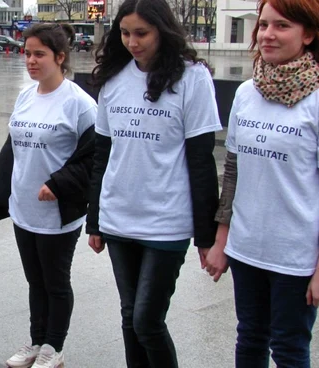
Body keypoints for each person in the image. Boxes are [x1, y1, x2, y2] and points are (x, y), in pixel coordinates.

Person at [204, 0, 319, 366]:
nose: (267, 35)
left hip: (296, 256)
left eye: (282, 26)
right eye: (263, 25)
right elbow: (233, 172)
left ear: (308, 34)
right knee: (250, 340)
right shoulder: (247, 93)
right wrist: (221, 241)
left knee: (290, 349)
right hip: (247, 249)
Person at [86, 0, 222, 367]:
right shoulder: (114, 79)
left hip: (167, 221)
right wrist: (95, 219)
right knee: (130, 318)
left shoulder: (192, 78)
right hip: (119, 217)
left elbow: (201, 160)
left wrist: (207, 235)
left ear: (163, 29)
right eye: (125, 33)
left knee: (147, 319)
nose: (132, 41)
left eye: (141, 33)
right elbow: (102, 155)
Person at [0, 23, 97, 368]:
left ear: (60, 57)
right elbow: (14, 148)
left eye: (39, 54)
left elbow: (95, 159)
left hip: (57, 213)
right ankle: (35, 340)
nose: (30, 60)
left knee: (56, 282)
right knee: (35, 281)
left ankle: (53, 348)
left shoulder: (80, 104)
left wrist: (58, 184)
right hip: (23, 207)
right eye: (27, 53)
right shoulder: (25, 96)